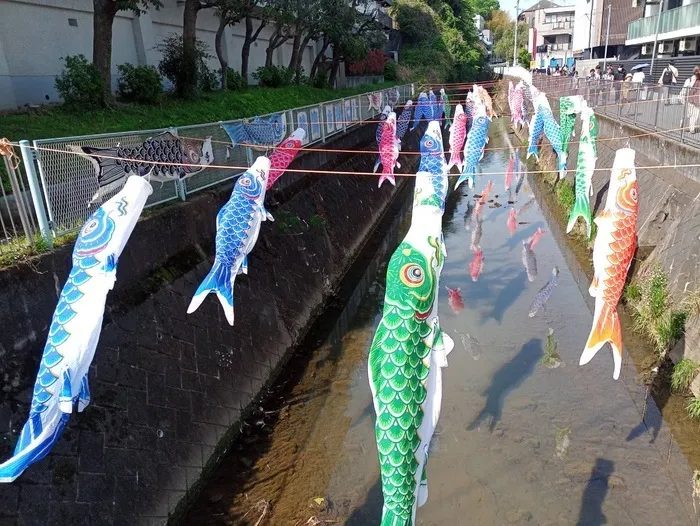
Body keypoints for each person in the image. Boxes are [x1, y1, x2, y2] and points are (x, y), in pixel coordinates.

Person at [686, 66, 700, 133]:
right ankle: (690, 128)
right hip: (693, 99)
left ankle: (691, 128)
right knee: (692, 114)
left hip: (695, 99)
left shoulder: (694, 78)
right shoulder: (693, 79)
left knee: (693, 114)